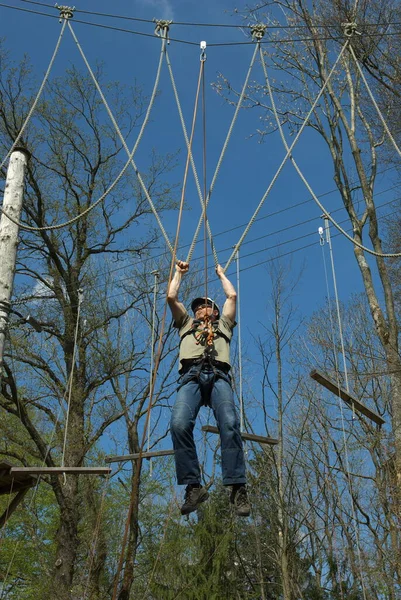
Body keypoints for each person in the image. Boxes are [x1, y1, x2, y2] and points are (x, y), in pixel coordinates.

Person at [167, 260, 250, 517]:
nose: (200, 309)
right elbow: (171, 296)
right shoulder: (186, 326)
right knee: (179, 424)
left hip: (218, 375)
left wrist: (222, 275)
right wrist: (179, 274)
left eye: (205, 306)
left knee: (229, 423)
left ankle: (237, 487)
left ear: (214, 312)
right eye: (197, 307)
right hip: (190, 377)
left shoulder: (223, 326)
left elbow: (232, 295)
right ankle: (193, 486)